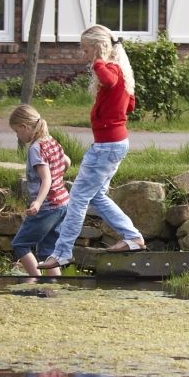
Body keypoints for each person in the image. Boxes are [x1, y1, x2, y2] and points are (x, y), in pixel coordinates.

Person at [47, 24, 149, 263]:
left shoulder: (111, 69)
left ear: (97, 47)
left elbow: (109, 80)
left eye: (86, 50)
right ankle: (132, 237)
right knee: (97, 196)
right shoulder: (123, 70)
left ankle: (62, 253)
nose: (85, 55)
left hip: (106, 147)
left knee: (79, 197)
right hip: (114, 143)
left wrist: (99, 61)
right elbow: (130, 104)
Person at [6, 103, 71, 277]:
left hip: (47, 207)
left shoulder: (36, 148)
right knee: (47, 252)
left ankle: (35, 281)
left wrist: (38, 202)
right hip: (63, 203)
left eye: (17, 132)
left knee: (20, 244)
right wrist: (60, 175)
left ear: (24, 127)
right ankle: (55, 288)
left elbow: (46, 179)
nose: (18, 136)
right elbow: (67, 161)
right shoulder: (51, 141)